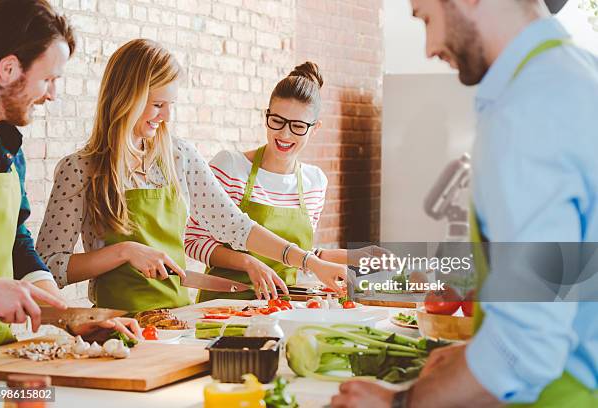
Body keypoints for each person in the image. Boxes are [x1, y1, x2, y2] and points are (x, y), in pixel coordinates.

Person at [331, 0, 598, 407]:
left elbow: (527, 343)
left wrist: (400, 402)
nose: (428, 47)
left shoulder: (527, 110)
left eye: (425, 17)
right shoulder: (577, 76)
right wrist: (477, 358)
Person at [37, 39, 347, 314]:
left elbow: (236, 227)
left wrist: (311, 263)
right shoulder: (80, 169)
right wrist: (123, 252)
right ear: (125, 97)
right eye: (158, 104)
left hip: (178, 322)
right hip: (115, 327)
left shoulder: (179, 158)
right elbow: (49, 265)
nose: (167, 117)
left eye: (170, 105)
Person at [0, 0, 139, 346]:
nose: (53, 95)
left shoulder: (7, 147)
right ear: (8, 69)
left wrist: (67, 317)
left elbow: (15, 243)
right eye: (48, 79)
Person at [186, 61, 387, 302]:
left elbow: (298, 255)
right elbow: (193, 240)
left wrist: (352, 256)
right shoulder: (230, 167)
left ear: (315, 129)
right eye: (277, 121)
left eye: (298, 126)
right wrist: (248, 263)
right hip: (224, 306)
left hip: (282, 305)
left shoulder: (314, 182)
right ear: (266, 116)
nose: (285, 134)